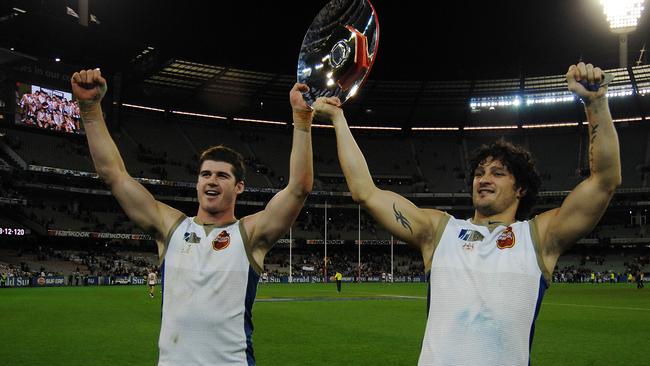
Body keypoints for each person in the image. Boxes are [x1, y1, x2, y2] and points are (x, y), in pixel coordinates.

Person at [313, 62, 621, 365]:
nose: (484, 178)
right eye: (479, 172)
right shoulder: (438, 231)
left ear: (521, 189)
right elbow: (365, 192)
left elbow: (604, 181)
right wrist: (339, 119)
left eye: (498, 173)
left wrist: (596, 103)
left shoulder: (540, 238)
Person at [71, 69, 314, 365]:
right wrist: (90, 109)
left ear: (239, 187)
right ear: (197, 182)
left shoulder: (250, 234)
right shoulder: (170, 227)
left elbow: (299, 189)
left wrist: (302, 121)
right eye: (205, 174)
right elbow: (114, 175)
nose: (212, 181)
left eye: (222, 176)